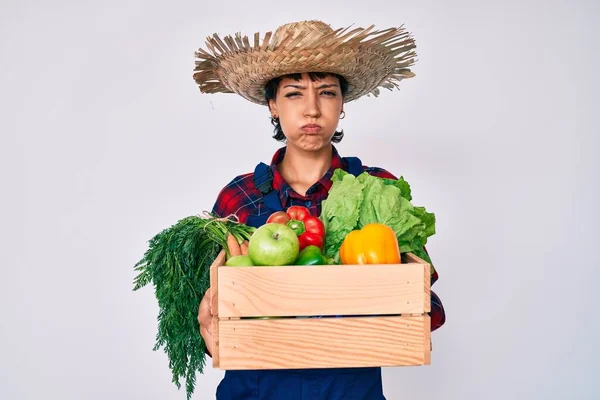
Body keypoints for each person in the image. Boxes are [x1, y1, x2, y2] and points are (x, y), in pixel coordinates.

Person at [194, 20, 446, 400]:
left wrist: (394, 306)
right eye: (294, 94)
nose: (312, 109)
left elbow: (425, 304)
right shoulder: (238, 197)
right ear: (273, 105)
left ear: (342, 104)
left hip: (350, 389)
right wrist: (205, 316)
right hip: (255, 390)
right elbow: (207, 306)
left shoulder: (377, 189)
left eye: (327, 92)